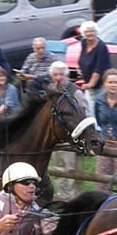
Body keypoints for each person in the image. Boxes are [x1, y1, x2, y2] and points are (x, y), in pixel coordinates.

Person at [48, 60, 89, 199]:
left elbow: (85, 115)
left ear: (67, 76)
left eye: (61, 74)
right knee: (59, 171)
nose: (58, 77)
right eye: (55, 74)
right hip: (56, 140)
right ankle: (63, 199)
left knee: (72, 172)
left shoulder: (75, 92)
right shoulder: (51, 91)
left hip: (72, 139)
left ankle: (74, 201)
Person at [78, 20, 111, 118]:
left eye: (92, 31)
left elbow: (98, 69)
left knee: (97, 109)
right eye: (87, 31)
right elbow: (83, 58)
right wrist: (81, 69)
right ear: (83, 33)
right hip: (89, 83)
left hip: (100, 84)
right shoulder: (84, 42)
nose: (90, 33)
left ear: (96, 32)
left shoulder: (101, 47)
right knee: (88, 108)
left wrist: (90, 84)